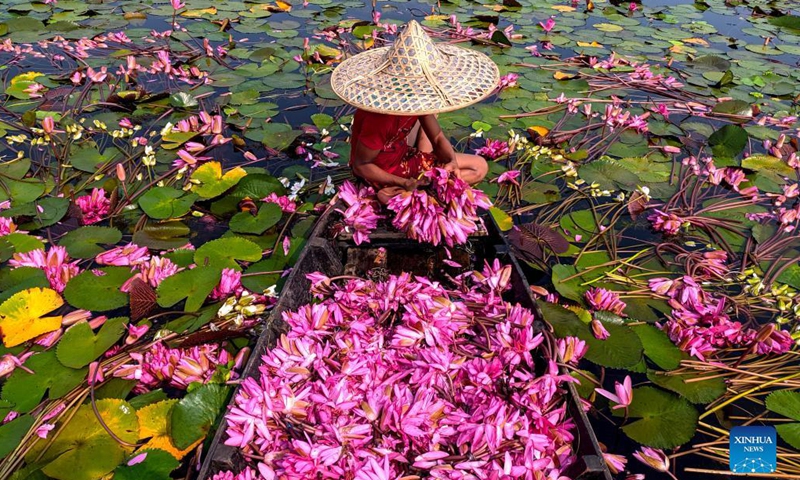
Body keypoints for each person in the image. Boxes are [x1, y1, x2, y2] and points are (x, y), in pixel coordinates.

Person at [331, 20, 498, 203]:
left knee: (479, 166)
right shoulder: (379, 118)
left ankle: (421, 189)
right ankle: (411, 191)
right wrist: (403, 182)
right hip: (383, 170)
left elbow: (437, 138)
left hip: (403, 155)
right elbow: (361, 166)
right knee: (386, 197)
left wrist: (451, 161)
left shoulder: (418, 100)